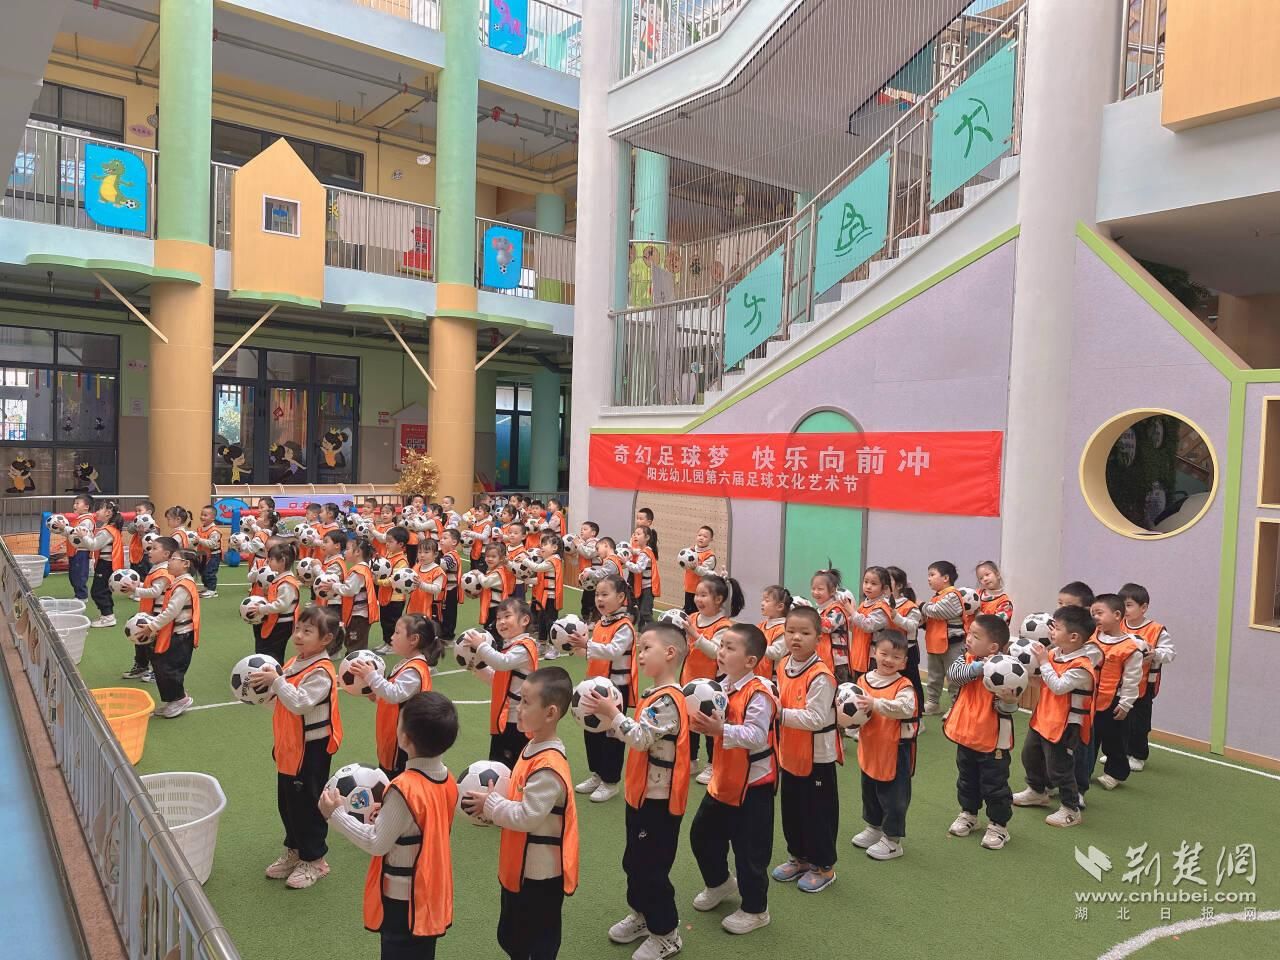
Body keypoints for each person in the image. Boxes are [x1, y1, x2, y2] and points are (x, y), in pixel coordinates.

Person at [581, 622, 689, 960]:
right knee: (635, 862)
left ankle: (667, 934)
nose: (639, 655)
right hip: (641, 796)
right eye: (639, 649)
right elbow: (642, 738)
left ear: (669, 653)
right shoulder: (652, 695)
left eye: (646, 649)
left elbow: (641, 739)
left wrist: (613, 715)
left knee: (651, 869)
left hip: (659, 802)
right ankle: (642, 916)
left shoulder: (669, 700)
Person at [322, 692, 458, 960]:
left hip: (403, 898)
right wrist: (388, 818)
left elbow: (377, 843)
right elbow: (421, 827)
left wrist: (335, 815)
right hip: (430, 891)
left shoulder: (403, 789)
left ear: (404, 738)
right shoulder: (448, 780)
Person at [461, 666, 579, 960]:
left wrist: (492, 805)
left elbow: (528, 816)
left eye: (526, 702)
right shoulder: (533, 748)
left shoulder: (548, 767)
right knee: (513, 934)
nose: (519, 707)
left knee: (538, 939)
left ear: (550, 713)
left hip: (540, 876)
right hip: (520, 868)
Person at [687, 623, 777, 935]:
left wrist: (720, 730)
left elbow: (756, 735)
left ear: (750, 661)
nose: (721, 652)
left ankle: (756, 909)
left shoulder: (760, 693)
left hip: (753, 787)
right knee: (701, 835)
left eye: (729, 648)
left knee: (750, 853)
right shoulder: (717, 688)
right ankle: (720, 883)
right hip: (723, 781)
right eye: (721, 646)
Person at [252, 604, 345, 890]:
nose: (299, 635)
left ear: (326, 639)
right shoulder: (296, 661)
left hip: (311, 751)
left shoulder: (322, 671)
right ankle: (294, 849)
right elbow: (282, 698)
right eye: (297, 629)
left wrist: (276, 681)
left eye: (307, 631)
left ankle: (315, 859)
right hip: (289, 746)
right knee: (288, 803)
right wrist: (264, 690)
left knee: (308, 805)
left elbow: (299, 702)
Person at [772, 605, 840, 893]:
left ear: (818, 637)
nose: (796, 637)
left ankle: (823, 867)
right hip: (789, 752)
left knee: (818, 813)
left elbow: (815, 719)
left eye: (804, 632)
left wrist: (778, 714)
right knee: (792, 810)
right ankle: (799, 858)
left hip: (817, 757)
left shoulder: (821, 675)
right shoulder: (783, 664)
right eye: (790, 631)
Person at [1013, 605, 1097, 828]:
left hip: (1065, 726)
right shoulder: (1054, 654)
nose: (1051, 631)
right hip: (1043, 719)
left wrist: (1042, 662)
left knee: (1059, 768)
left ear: (1074, 637)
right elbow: (1043, 682)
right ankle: (1036, 791)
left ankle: (1071, 809)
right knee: (1030, 756)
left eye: (1057, 628)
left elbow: (1058, 687)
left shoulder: (1082, 667)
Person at [943, 614, 1020, 850]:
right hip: (966, 735)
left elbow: (1007, 708)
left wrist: (1009, 701)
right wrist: (979, 667)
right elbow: (954, 676)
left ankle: (998, 825)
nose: (968, 639)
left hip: (993, 741)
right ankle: (969, 814)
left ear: (993, 647)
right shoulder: (965, 660)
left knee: (995, 785)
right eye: (969, 633)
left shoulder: (1007, 668)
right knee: (966, 780)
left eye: (975, 636)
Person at [568, 575, 636, 804]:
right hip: (595, 686)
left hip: (615, 690)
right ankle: (597, 773)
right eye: (597, 594)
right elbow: (593, 655)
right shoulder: (600, 623)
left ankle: (610, 781)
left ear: (621, 597)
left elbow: (613, 651)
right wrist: (574, 647)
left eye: (605, 594)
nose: (599, 599)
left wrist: (586, 645)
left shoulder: (624, 626)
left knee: (612, 735)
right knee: (592, 731)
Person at [851, 632, 918, 860]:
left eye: (896, 657)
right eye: (884, 654)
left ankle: (892, 840)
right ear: (874, 653)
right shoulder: (863, 680)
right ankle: (874, 827)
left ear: (904, 662)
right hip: (870, 745)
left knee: (894, 796)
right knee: (869, 789)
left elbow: (905, 708)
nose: (889, 660)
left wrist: (875, 703)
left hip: (895, 749)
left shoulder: (904, 686)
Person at [353, 614, 444, 778]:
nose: (392, 637)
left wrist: (371, 675)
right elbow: (399, 698)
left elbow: (394, 694)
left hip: (404, 740)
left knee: (397, 777)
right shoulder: (406, 663)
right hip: (392, 733)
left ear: (413, 639)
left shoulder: (414, 670)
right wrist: (376, 696)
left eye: (397, 632)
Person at [463, 598, 539, 769]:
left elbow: (502, 663)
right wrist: (477, 667)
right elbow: (497, 679)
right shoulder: (510, 647)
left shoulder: (525, 647)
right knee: (498, 764)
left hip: (516, 722)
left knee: (510, 767)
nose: (501, 622)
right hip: (503, 719)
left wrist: (481, 646)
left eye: (507, 616)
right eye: (498, 618)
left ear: (524, 620)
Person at [683, 574, 743, 785]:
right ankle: (691, 760)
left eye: (704, 595)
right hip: (690, 679)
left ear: (718, 600)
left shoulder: (724, 625)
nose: (698, 599)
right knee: (689, 722)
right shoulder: (692, 617)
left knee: (710, 724)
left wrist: (694, 635)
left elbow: (716, 652)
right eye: (697, 594)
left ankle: (712, 763)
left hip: (712, 685)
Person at [132, 547, 202, 718]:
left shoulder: (184, 585)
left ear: (185, 564)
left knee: (170, 669)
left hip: (181, 635)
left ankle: (180, 699)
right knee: (161, 666)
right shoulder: (177, 582)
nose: (169, 562)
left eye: (173, 559)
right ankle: (173, 699)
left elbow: (171, 611)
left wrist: (151, 626)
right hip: (173, 634)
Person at [1088, 593, 1146, 791]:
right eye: (1093, 613)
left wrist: (1126, 704)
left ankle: (1115, 773)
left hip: (1114, 702)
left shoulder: (1130, 648)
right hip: (1090, 700)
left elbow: (1132, 679)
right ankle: (1083, 772)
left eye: (1099, 613)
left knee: (1115, 741)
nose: (1095, 617)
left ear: (1117, 615)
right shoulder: (1091, 637)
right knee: (1088, 740)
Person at [1118, 582, 1175, 772]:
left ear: (1143, 607)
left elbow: (1170, 653)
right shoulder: (1118, 626)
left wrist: (1155, 654)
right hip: (1119, 683)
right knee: (1119, 719)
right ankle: (1120, 752)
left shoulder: (1156, 630)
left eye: (1129, 605)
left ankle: (1138, 755)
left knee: (1139, 722)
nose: (1124, 610)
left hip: (1144, 685)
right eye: (1121, 605)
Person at [1057, 580, 1100, 805]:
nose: (1062, 609)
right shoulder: (1058, 637)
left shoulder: (1092, 646)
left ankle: (1079, 789)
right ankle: (1044, 784)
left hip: (1080, 710)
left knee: (1081, 748)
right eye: (1059, 604)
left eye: (1068, 605)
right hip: (1056, 708)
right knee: (1050, 747)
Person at [121, 535, 175, 682]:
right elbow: (149, 586)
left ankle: (157, 671)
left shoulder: (164, 571)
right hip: (147, 614)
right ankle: (141, 666)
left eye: (154, 548)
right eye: (150, 548)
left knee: (154, 645)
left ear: (166, 554)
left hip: (157, 615)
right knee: (141, 640)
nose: (149, 551)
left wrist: (135, 590)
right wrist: (138, 585)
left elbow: (155, 592)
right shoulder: (157, 568)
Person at [920, 561, 968, 716]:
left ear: (946, 578)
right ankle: (933, 702)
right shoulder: (936, 597)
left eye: (932, 575)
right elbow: (933, 618)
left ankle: (956, 706)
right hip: (935, 644)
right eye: (928, 575)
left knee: (954, 676)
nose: (928, 578)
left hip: (953, 645)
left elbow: (938, 612)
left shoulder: (953, 595)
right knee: (934, 677)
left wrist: (921, 606)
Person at [886, 566, 925, 726]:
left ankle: (917, 718)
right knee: (891, 683)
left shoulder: (910, 606)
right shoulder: (882, 603)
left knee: (912, 684)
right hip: (889, 650)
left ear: (900, 585)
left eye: (888, 580)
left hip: (908, 651)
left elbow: (912, 626)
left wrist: (896, 616)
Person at [256, 543, 301, 663]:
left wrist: (262, 609)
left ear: (282, 561)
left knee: (274, 651)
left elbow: (281, 605)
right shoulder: (280, 579)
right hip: (276, 621)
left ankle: (275, 669)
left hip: (282, 624)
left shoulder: (286, 583)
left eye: (271, 559)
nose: (268, 562)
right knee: (268, 648)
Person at [84, 498, 125, 627]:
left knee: (98, 591)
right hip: (108, 564)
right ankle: (107, 615)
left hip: (105, 565)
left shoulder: (107, 531)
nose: (96, 512)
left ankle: (108, 616)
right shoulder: (110, 529)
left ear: (108, 513)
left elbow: (94, 545)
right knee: (103, 591)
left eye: (99, 509)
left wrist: (83, 536)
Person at [337, 537, 380, 654]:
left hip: (358, 617)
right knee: (354, 644)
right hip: (359, 615)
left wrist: (334, 586)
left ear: (357, 552)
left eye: (347, 549)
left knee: (354, 646)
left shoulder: (358, 571)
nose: (344, 552)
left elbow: (349, 590)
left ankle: (355, 664)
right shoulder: (362, 568)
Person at [372, 527, 411, 655]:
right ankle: (386, 641)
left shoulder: (402, 560)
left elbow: (394, 579)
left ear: (401, 544)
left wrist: (378, 582)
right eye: (386, 541)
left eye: (390, 541)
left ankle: (392, 645)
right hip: (385, 595)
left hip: (395, 598)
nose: (387, 544)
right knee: (384, 621)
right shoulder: (388, 555)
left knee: (392, 623)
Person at [530, 533, 564, 660]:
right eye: (541, 544)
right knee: (542, 621)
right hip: (543, 597)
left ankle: (554, 647)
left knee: (550, 622)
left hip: (551, 598)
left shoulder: (554, 560)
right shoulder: (548, 560)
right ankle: (542, 644)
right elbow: (540, 580)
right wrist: (526, 580)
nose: (541, 547)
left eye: (545, 544)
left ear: (554, 548)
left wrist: (525, 561)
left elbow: (537, 568)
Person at [811, 568, 848, 676]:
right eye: (813, 588)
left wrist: (808, 615)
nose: (815, 592)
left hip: (838, 663)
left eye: (820, 589)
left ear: (832, 591)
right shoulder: (817, 610)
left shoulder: (837, 609)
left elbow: (827, 627)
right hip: (821, 658)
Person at [625, 527, 661, 627]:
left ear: (647, 537)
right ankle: (642, 632)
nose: (635, 536)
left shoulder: (645, 553)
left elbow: (638, 568)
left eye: (638, 534)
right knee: (641, 612)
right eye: (634, 534)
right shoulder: (645, 550)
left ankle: (656, 630)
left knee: (645, 612)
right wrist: (632, 551)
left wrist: (626, 562)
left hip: (648, 588)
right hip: (643, 587)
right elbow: (638, 552)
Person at [478, 542, 516, 635]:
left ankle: (496, 644)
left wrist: (478, 574)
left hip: (496, 608)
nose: (490, 559)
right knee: (490, 630)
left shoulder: (497, 573)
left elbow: (485, 583)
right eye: (487, 556)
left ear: (501, 558)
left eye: (493, 556)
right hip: (491, 607)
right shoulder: (491, 571)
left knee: (495, 632)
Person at [406, 537, 446, 624]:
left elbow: (437, 589)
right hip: (414, 605)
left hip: (429, 608)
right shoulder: (416, 566)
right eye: (419, 552)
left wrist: (421, 585)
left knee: (426, 629)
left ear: (435, 554)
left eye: (426, 552)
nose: (422, 555)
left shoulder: (437, 571)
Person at [757, 584, 791, 679]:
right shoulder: (761, 625)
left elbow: (777, 652)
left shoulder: (784, 628)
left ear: (780, 607)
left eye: (767, 601)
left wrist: (755, 646)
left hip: (774, 678)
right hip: (759, 674)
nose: (762, 603)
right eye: (763, 600)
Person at [66, 493, 96, 601]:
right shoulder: (79, 519)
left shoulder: (87, 520)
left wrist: (64, 528)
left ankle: (82, 596)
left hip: (82, 551)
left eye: (78, 503)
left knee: (79, 574)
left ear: (86, 507)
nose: (74, 505)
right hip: (75, 551)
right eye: (74, 503)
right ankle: (78, 594)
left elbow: (77, 532)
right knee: (73, 574)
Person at [681, 527, 718, 615]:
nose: (701, 538)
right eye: (699, 535)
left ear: (711, 539)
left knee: (699, 614)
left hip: (702, 591)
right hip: (689, 588)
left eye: (705, 536)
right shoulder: (689, 551)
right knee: (689, 613)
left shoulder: (710, 556)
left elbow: (704, 572)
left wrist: (695, 568)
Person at [192, 504, 222, 598]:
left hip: (213, 555)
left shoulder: (214, 531)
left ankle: (212, 590)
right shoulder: (200, 528)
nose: (202, 517)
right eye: (202, 514)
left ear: (213, 518)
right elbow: (197, 541)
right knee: (202, 571)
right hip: (202, 554)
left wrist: (199, 540)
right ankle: (207, 587)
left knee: (209, 572)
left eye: (205, 515)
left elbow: (212, 544)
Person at [439, 528, 464, 640]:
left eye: (445, 538)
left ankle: (448, 636)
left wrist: (431, 559)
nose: (441, 540)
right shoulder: (447, 555)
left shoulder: (451, 556)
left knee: (449, 613)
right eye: (441, 538)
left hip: (450, 590)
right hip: (445, 590)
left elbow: (443, 565)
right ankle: (443, 634)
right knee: (444, 612)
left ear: (454, 542)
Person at [574, 521, 601, 622]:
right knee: (586, 599)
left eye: (585, 529)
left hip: (594, 579)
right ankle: (588, 618)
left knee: (591, 600)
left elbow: (588, 554)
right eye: (581, 529)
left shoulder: (595, 543)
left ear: (593, 533)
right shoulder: (585, 543)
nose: (582, 531)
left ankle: (592, 620)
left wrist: (578, 545)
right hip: (589, 579)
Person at [127, 498, 156, 578]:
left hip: (145, 556)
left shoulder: (153, 526)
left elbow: (151, 542)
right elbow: (130, 530)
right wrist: (136, 524)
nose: (137, 513)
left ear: (149, 513)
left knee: (144, 578)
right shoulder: (136, 523)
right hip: (135, 556)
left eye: (139, 511)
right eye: (136, 511)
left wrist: (142, 533)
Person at [463, 500, 494, 572]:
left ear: (486, 514)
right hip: (474, 550)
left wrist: (471, 533)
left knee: (481, 571)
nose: (476, 513)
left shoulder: (487, 524)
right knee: (473, 569)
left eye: (479, 511)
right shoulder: (475, 524)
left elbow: (484, 537)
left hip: (483, 552)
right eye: (475, 511)